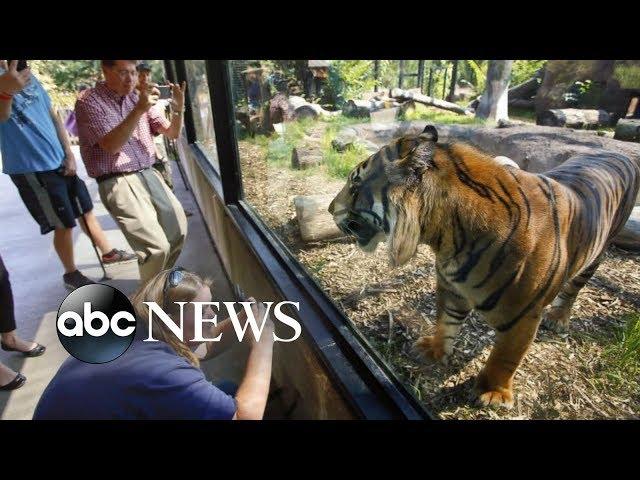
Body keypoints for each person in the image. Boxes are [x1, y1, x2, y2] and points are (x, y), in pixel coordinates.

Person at [33, 268, 275, 419]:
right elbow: (246, 416)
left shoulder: (136, 327)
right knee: (232, 398)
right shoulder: (161, 371)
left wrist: (240, 320)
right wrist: (263, 344)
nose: (213, 314)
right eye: (204, 311)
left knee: (227, 390)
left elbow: (202, 347)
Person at [0, 60, 136, 290]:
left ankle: (108, 253)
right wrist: (5, 91)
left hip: (60, 160)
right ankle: (71, 273)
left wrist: (69, 154)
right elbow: (2, 117)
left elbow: (53, 117)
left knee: (85, 210)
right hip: (31, 167)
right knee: (63, 222)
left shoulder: (31, 79)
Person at [75, 60, 188, 284]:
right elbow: (112, 145)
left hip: (149, 172)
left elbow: (173, 133)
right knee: (155, 248)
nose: (131, 79)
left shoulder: (139, 97)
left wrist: (178, 108)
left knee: (178, 231)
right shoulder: (89, 101)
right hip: (117, 179)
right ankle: (149, 302)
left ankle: (159, 286)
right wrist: (138, 110)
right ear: (105, 70)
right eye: (122, 72)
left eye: (133, 72)